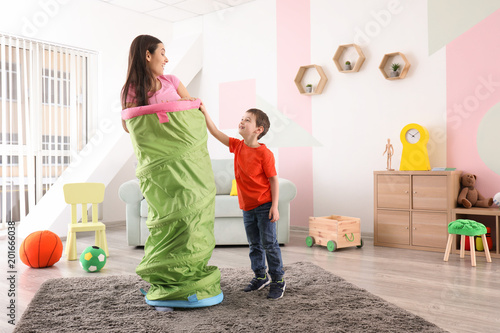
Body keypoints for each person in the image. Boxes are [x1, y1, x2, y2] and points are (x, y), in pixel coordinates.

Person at [200, 105, 286, 300]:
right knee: (254, 244)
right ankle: (260, 276)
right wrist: (205, 113)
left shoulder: (265, 154)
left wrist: (274, 206)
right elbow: (215, 132)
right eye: (242, 118)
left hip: (264, 206)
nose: (242, 121)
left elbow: (273, 180)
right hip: (247, 207)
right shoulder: (237, 146)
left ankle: (278, 280)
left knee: (269, 244)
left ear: (258, 130)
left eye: (248, 120)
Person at [121, 34, 193, 132]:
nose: (166, 59)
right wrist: (169, 109)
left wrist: (179, 107)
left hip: (183, 143)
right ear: (148, 56)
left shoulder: (172, 80)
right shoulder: (131, 90)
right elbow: (131, 127)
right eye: (162, 54)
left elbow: (192, 112)